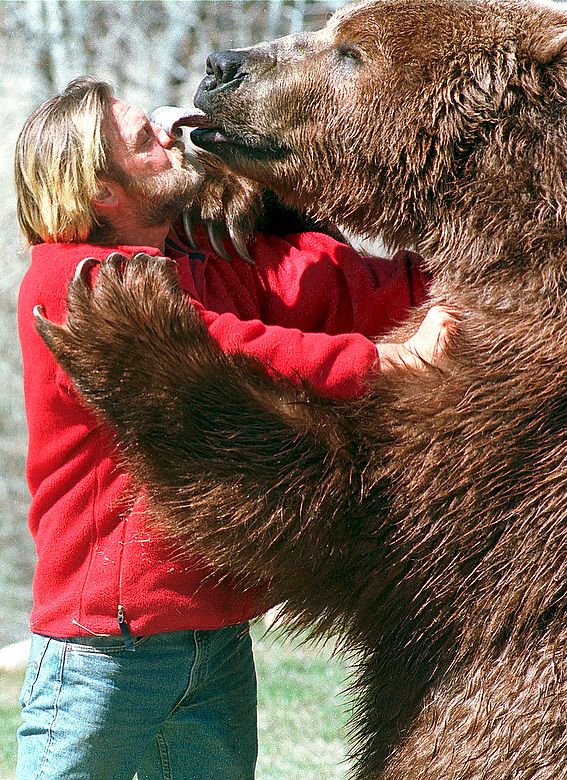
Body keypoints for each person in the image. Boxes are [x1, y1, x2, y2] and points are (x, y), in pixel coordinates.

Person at [13, 76, 452, 780]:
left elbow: (317, 283)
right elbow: (217, 344)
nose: (165, 129)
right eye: (141, 136)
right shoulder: (73, 283)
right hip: (104, 646)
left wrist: (472, 274)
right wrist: (384, 361)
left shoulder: (194, 262)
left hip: (214, 635)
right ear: (102, 191)